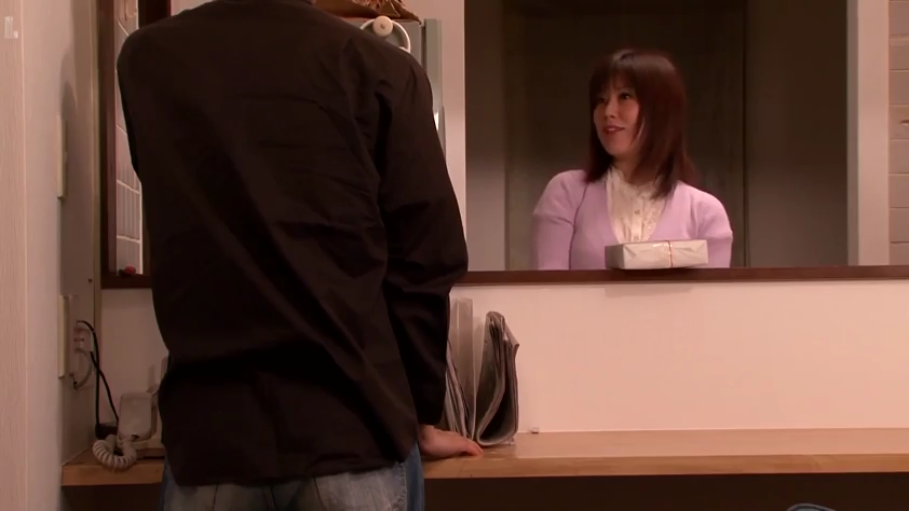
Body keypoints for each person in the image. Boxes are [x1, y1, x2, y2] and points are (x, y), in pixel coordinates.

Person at [116, 0, 481, 509]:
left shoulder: (147, 59)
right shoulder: (379, 67)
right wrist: (422, 413)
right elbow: (427, 259)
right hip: (354, 429)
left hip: (213, 438)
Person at [531, 49, 733, 270]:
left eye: (625, 97)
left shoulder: (706, 213)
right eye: (601, 100)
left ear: (661, 110)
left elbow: (711, 293)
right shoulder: (566, 192)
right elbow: (549, 287)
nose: (608, 112)